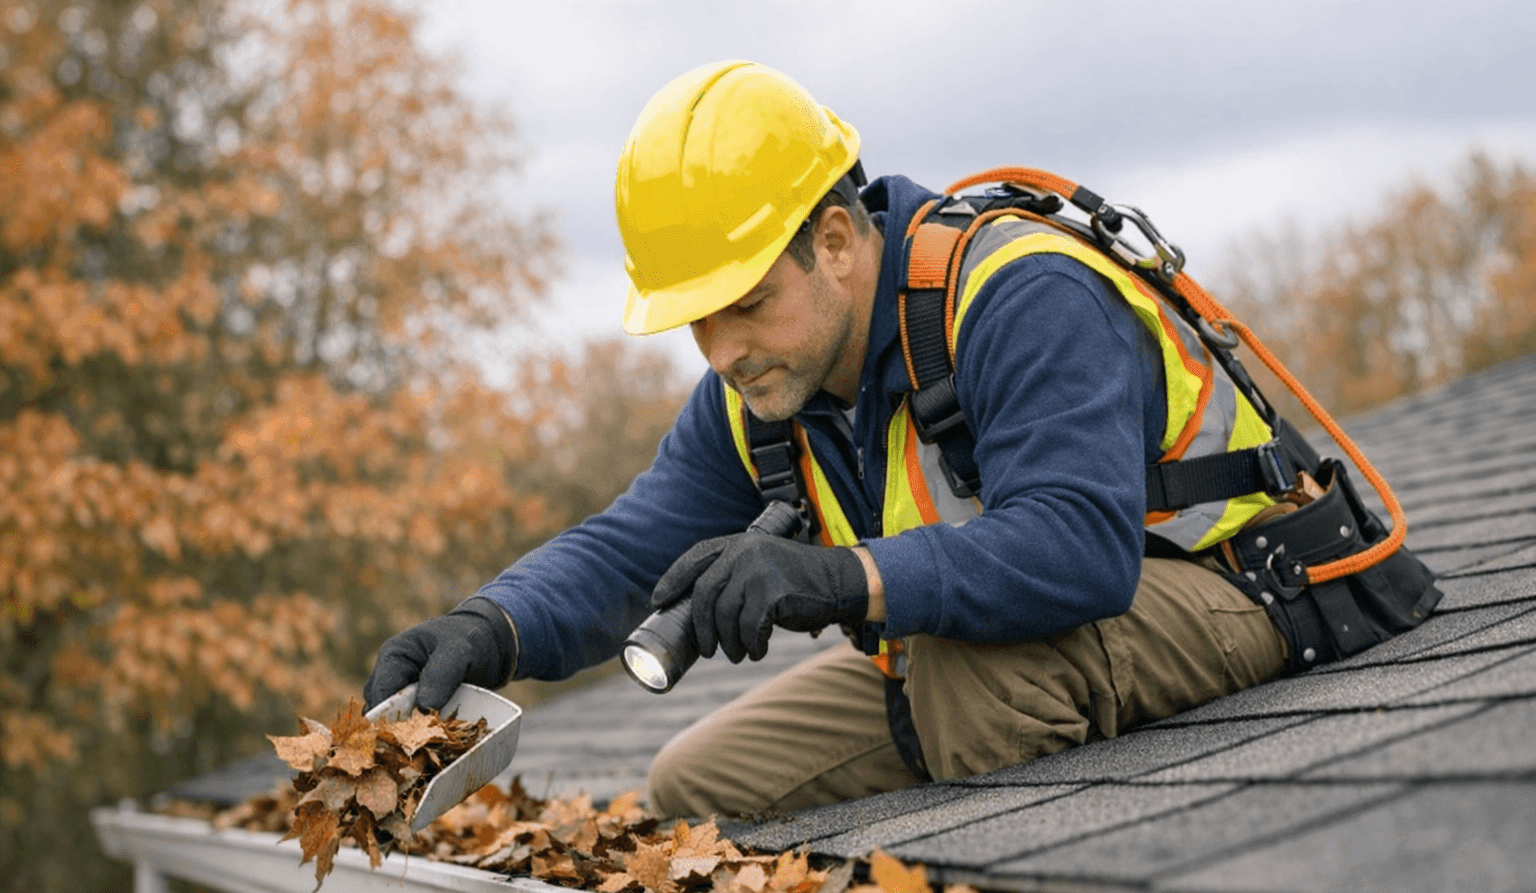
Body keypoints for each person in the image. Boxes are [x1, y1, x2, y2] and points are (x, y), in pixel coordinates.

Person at [363, 61, 1295, 819]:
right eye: (696, 321)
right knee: (697, 783)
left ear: (839, 241)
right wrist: (489, 627)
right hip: (969, 653)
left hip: (1242, 583)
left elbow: (1079, 548)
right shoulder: (760, 388)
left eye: (749, 305)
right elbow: (628, 550)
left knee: (974, 685)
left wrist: (841, 580)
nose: (722, 352)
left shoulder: (1018, 297)